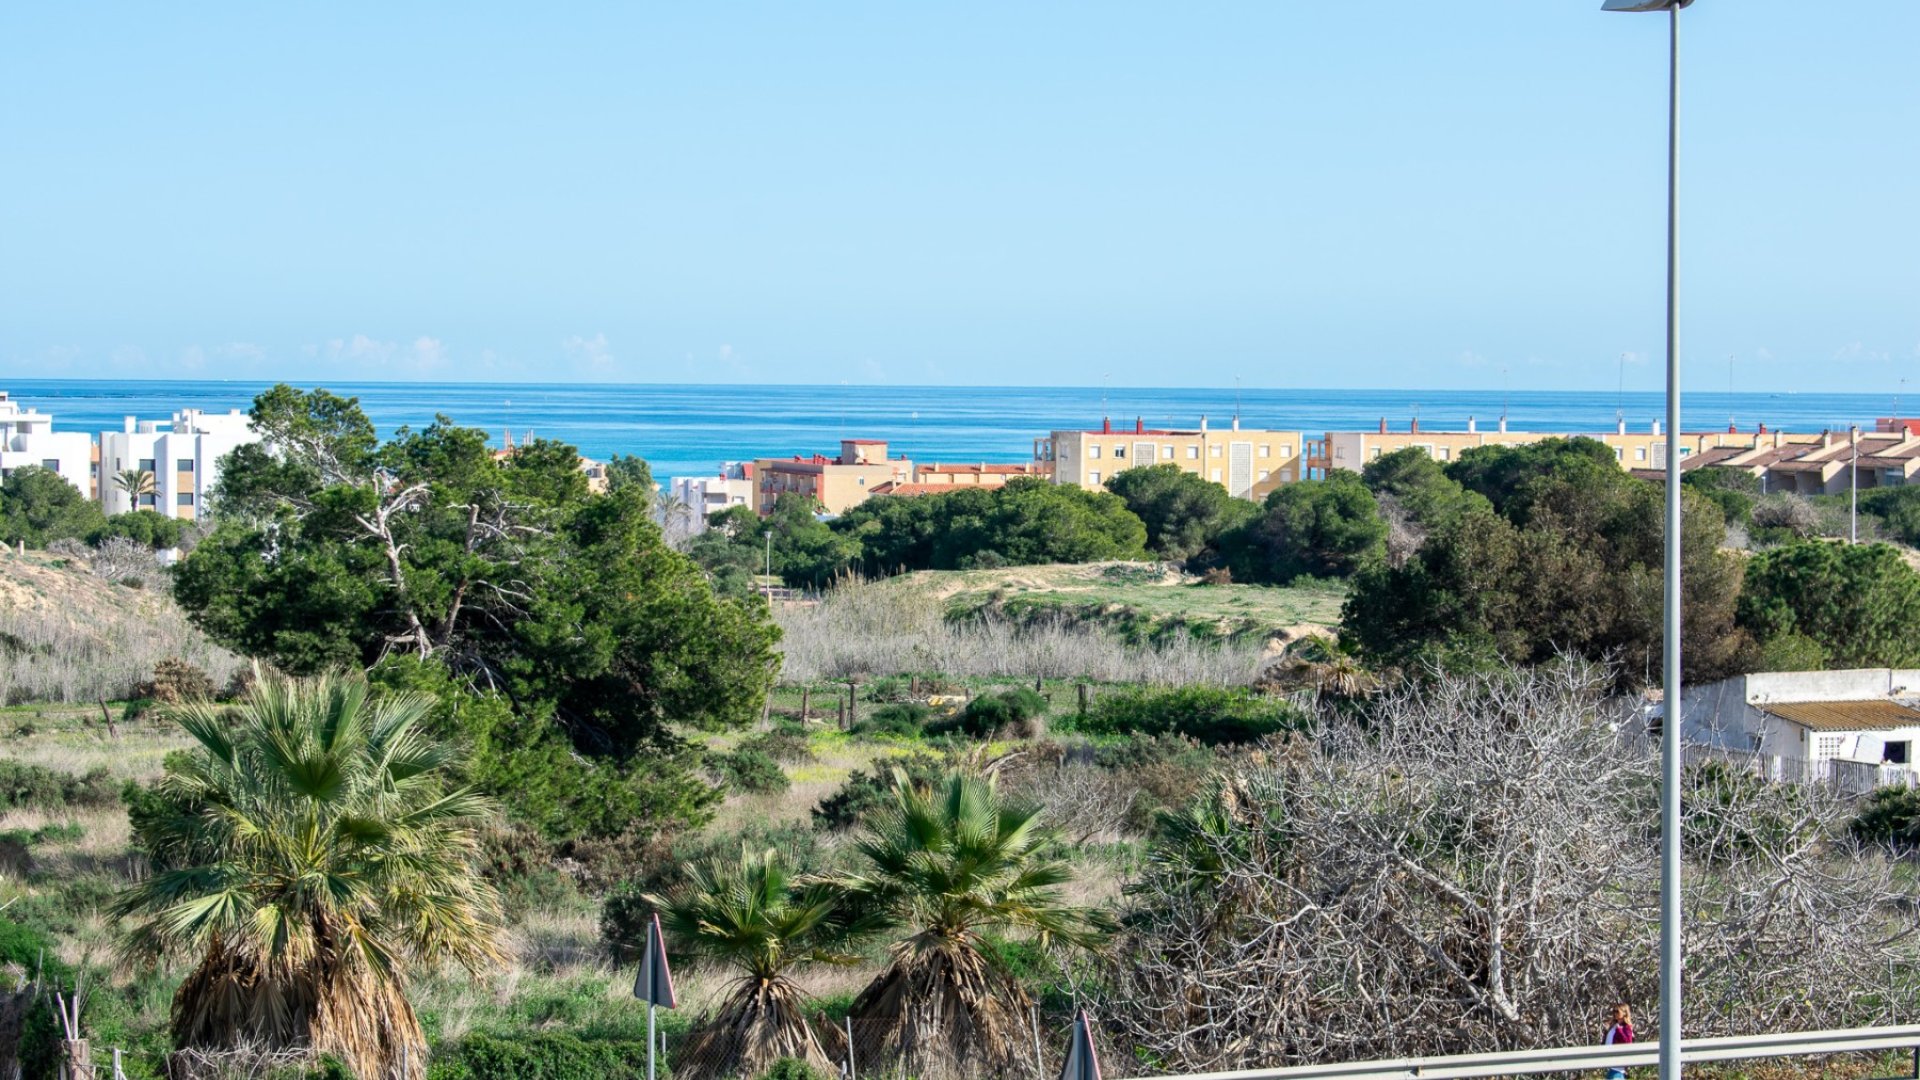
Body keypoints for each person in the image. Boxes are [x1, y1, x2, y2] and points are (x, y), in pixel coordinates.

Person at [1603, 1003, 1635, 1080]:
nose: (1615, 1013)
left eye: (1617, 1011)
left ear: (1624, 1013)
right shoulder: (1614, 1025)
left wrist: (1619, 1030)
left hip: (1618, 1064)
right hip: (1611, 1063)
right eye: (1614, 1011)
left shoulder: (1626, 1027)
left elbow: (1627, 1041)